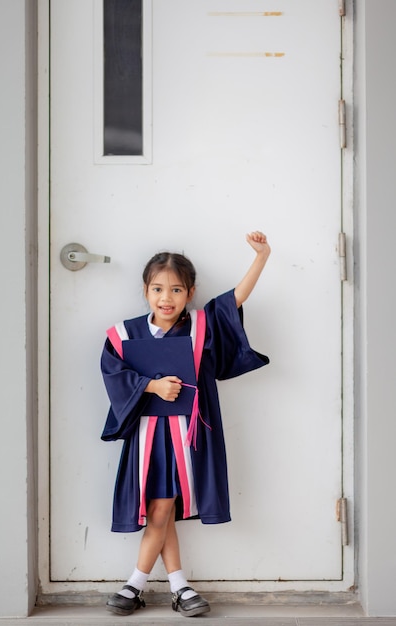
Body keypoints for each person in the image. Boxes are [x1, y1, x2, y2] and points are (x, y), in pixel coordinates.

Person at [100, 231, 270, 617]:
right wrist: (151, 385)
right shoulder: (124, 335)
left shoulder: (200, 327)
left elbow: (234, 301)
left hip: (189, 437)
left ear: (189, 293)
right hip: (148, 437)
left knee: (163, 508)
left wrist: (262, 256)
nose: (166, 298)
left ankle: (137, 585)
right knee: (162, 508)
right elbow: (115, 376)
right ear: (145, 290)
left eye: (176, 290)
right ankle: (176, 586)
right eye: (158, 289)